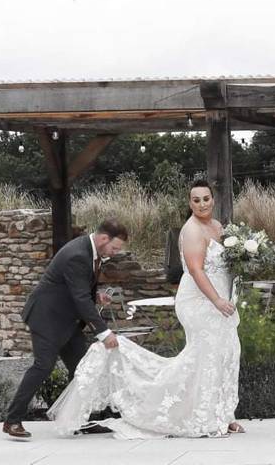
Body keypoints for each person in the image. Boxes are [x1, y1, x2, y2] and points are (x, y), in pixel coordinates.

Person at [46, 179, 244, 438]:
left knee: (224, 353)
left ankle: (222, 414)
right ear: (189, 203)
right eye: (196, 200)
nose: (202, 204)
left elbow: (226, 264)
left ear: (213, 199)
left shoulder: (218, 227)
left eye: (206, 198)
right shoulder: (192, 230)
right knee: (205, 355)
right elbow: (196, 270)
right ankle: (200, 416)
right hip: (201, 301)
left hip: (222, 300)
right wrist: (217, 300)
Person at [2, 219, 127, 440]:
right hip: (47, 318)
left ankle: (81, 420)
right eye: (114, 248)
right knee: (43, 366)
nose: (115, 253)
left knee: (82, 368)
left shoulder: (89, 250)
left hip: (67, 321)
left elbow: (77, 288)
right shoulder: (78, 254)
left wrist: (96, 295)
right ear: (103, 238)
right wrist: (104, 332)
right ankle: (12, 420)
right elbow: (79, 298)